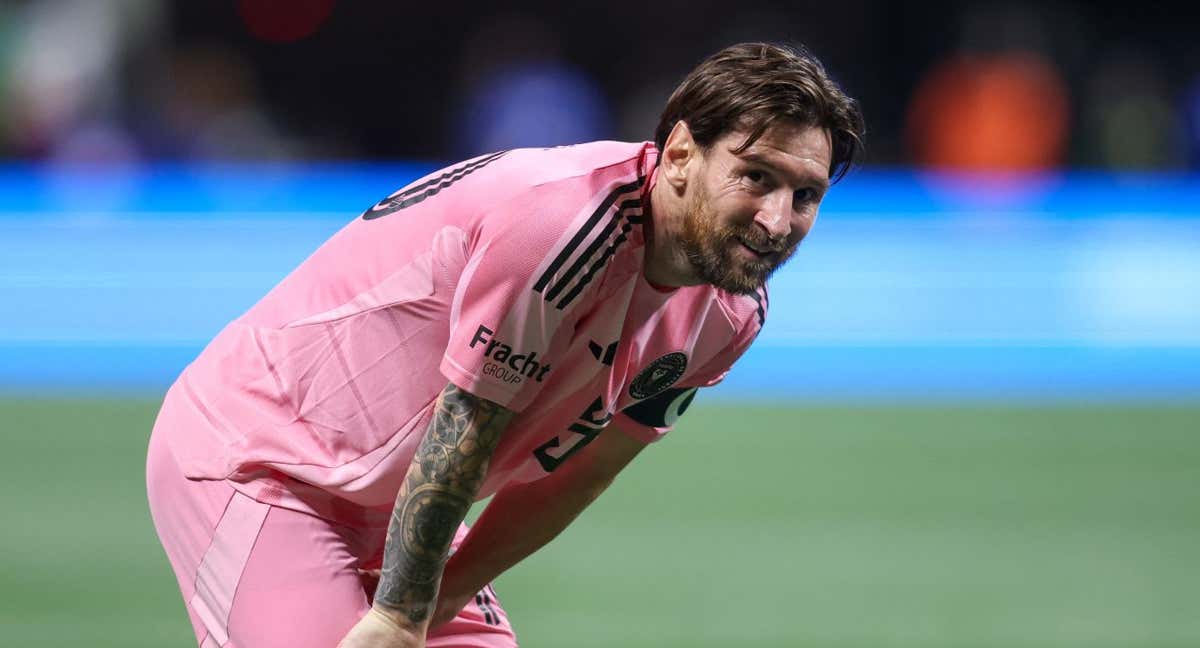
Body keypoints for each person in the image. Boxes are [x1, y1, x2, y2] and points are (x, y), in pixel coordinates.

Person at [146, 41, 864, 648]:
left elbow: (583, 471)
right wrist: (399, 618)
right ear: (679, 153)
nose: (777, 220)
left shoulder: (731, 314)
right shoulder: (565, 227)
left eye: (805, 196)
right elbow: (465, 424)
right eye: (755, 177)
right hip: (262, 459)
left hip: (392, 502)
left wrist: (441, 596)